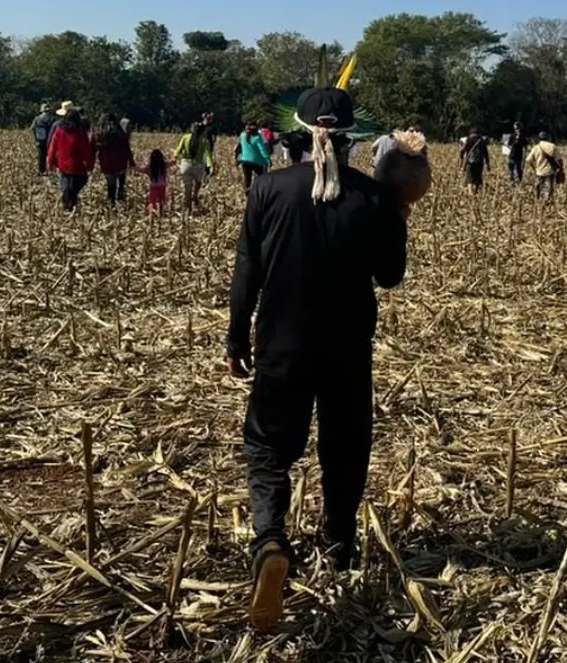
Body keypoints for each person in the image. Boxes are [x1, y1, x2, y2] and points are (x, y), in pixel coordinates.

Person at [226, 87, 408, 631]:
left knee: (267, 445)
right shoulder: (372, 198)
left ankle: (271, 540)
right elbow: (390, 276)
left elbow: (246, 271)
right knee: (345, 446)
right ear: (350, 137)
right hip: (347, 348)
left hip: (280, 345)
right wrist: (398, 208)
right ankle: (339, 543)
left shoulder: (269, 189)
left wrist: (237, 336)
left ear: (299, 134)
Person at [47, 108, 95, 212]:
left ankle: (67, 206)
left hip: (63, 166)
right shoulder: (81, 134)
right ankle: (71, 206)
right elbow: (87, 151)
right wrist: (90, 164)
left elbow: (52, 148)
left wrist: (50, 163)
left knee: (66, 187)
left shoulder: (59, 132)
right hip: (77, 167)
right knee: (75, 187)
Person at [92, 113, 135, 205]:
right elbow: (126, 148)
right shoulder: (120, 133)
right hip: (121, 163)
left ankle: (111, 203)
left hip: (107, 164)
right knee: (121, 184)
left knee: (111, 185)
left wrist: (90, 162)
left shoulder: (99, 134)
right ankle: (120, 199)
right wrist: (131, 162)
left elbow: (93, 148)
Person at [174, 121, 215, 213]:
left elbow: (178, 151)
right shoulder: (204, 141)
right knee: (198, 182)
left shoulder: (185, 137)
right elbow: (208, 155)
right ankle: (195, 194)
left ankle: (189, 210)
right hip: (198, 166)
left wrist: (176, 156)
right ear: (202, 131)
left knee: (187, 190)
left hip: (185, 165)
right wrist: (211, 166)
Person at [525, 131, 561, 202]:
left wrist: (534, 168)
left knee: (538, 186)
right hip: (550, 171)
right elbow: (559, 159)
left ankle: (538, 199)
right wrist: (560, 169)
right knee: (549, 187)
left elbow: (528, 160)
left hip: (539, 171)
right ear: (547, 138)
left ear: (539, 138)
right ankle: (547, 200)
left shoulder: (536, 147)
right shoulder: (553, 146)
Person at [134, 149, 173, 214]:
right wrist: (175, 155)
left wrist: (133, 166)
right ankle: (160, 213)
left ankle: (153, 214)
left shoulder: (150, 166)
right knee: (161, 201)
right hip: (162, 186)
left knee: (153, 202)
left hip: (153, 187)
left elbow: (141, 170)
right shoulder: (163, 165)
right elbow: (173, 162)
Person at [236, 122, 273, 191]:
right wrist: (268, 159)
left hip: (245, 160)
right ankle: (258, 191)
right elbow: (262, 150)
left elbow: (240, 146)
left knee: (247, 179)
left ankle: (247, 193)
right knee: (261, 178)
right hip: (257, 161)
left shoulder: (242, 135)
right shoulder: (257, 138)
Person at [460, 128, 490, 195]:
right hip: (479, 162)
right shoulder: (481, 141)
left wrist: (461, 159)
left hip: (470, 161)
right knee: (478, 177)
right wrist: (488, 163)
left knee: (469, 177)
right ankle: (475, 191)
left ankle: (470, 192)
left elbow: (462, 150)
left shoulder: (468, 140)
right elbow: (485, 153)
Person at [31, 104, 56, 175]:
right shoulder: (52, 119)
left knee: (41, 158)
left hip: (40, 141)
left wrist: (36, 138)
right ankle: (51, 171)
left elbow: (33, 128)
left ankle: (42, 171)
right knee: (51, 156)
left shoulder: (37, 119)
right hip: (50, 141)